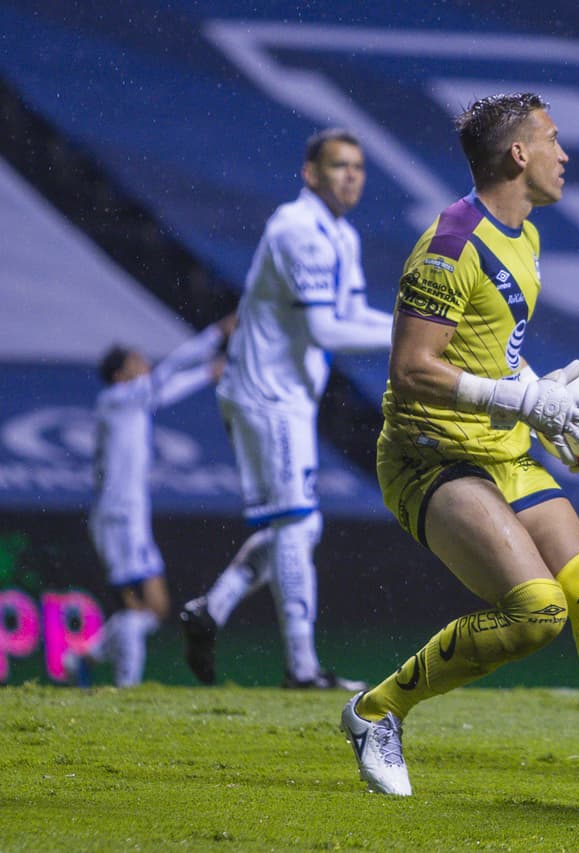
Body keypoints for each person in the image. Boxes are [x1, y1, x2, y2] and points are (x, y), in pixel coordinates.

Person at [338, 93, 579, 808]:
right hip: (431, 458)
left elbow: (494, 353)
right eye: (552, 139)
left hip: (502, 450)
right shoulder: (451, 246)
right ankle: (376, 711)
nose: (564, 154)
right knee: (537, 611)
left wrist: (546, 403)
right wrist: (524, 401)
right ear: (519, 154)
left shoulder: (526, 237)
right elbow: (412, 368)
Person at [179, 128, 394, 689]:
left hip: (288, 394)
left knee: (299, 524)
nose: (351, 176)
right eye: (338, 165)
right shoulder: (298, 231)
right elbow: (325, 328)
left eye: (358, 167)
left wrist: (416, 329)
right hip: (265, 394)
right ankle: (301, 668)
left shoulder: (339, 235)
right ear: (310, 173)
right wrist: (412, 338)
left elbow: (351, 313)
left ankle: (211, 610)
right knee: (296, 525)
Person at [78, 317, 233, 687]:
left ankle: (86, 656)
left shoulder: (132, 403)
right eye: (136, 360)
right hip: (118, 518)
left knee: (155, 608)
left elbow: (168, 387)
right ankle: (125, 688)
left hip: (128, 516)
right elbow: (169, 372)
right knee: (135, 607)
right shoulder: (115, 400)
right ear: (120, 374)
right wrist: (215, 334)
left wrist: (210, 372)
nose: (145, 362)